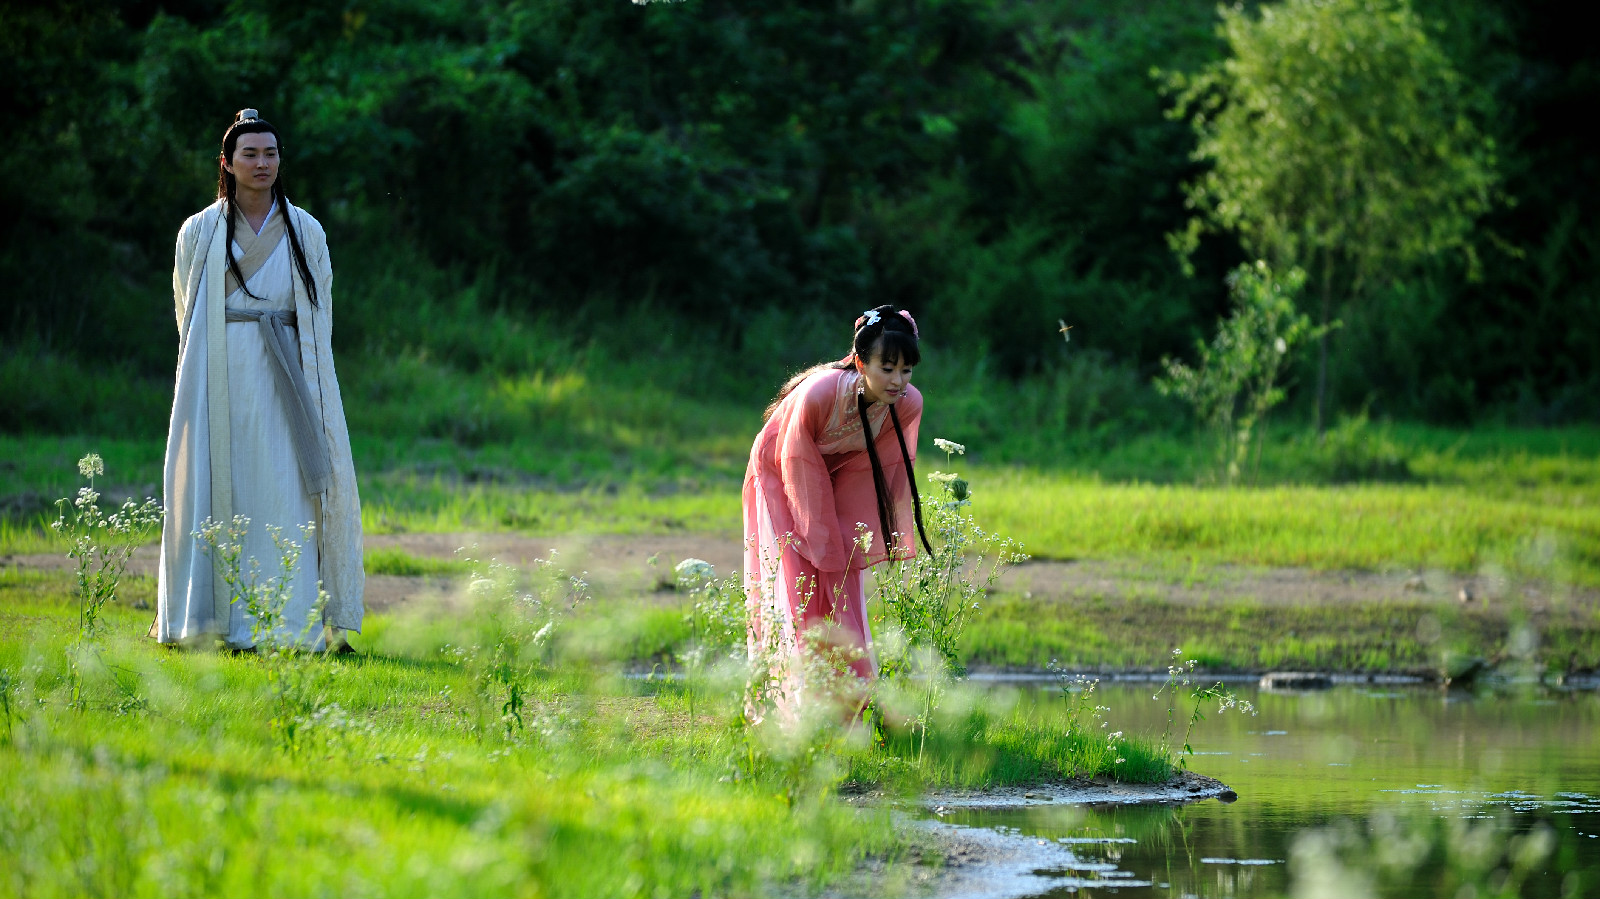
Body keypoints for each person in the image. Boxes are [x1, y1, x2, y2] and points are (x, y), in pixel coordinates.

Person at [154, 108, 363, 650]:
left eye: (270, 152)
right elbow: (187, 309)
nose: (262, 162)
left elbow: (323, 314)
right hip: (217, 371)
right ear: (228, 161)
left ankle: (287, 624)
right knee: (214, 483)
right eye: (250, 153)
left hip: (286, 373)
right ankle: (208, 623)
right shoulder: (199, 231)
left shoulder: (305, 230)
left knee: (285, 487)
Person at [743, 305, 933, 719]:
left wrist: (848, 535)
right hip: (779, 474)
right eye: (888, 368)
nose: (898, 381)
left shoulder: (907, 404)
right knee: (794, 584)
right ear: (860, 362)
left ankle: (845, 706)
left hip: (830, 481)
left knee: (843, 575)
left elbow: (874, 472)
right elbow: (792, 460)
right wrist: (819, 532)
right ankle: (788, 710)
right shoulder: (820, 393)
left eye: (907, 371)